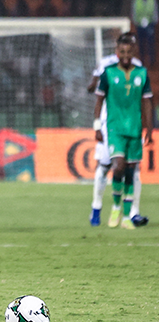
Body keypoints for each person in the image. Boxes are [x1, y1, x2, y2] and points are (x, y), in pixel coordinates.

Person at [87, 33, 148, 227]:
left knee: (133, 169)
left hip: (131, 124)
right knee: (106, 166)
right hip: (109, 122)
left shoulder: (137, 66)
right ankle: (96, 209)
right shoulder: (106, 64)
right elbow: (93, 86)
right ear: (117, 47)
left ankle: (132, 213)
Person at [132, 0, 157, 67]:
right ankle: (142, 60)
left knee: (151, 43)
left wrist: (151, 22)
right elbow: (134, 13)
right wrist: (138, 22)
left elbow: (155, 13)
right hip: (139, 25)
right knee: (141, 44)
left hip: (150, 24)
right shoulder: (136, 1)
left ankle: (152, 62)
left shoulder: (152, 1)